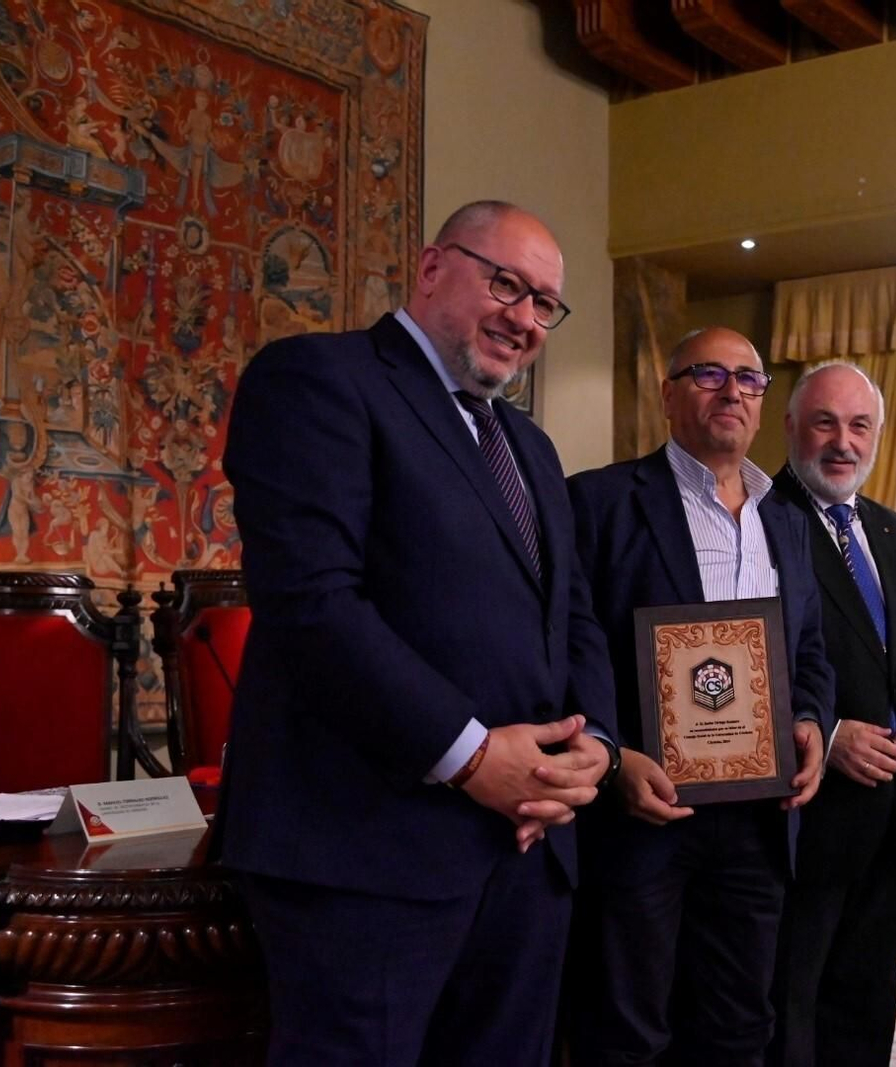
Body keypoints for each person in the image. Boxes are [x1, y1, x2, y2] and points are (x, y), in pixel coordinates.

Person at [219, 200, 620, 1067]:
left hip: (528, 851)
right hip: (366, 854)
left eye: (545, 303)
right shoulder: (319, 379)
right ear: (434, 266)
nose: (524, 318)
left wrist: (593, 749)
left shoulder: (532, 447)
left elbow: (574, 615)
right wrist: (475, 757)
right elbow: (313, 604)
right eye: (505, 284)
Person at [564, 326, 836, 1067]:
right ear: (669, 393)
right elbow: (563, 648)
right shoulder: (599, 502)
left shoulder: (788, 516)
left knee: (739, 1023)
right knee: (627, 1026)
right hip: (645, 810)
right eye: (709, 373)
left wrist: (810, 720)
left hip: (758, 815)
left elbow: (807, 648)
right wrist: (614, 756)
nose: (732, 391)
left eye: (749, 379)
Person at [767, 362, 896, 1067]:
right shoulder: (761, 520)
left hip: (894, 811)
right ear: (789, 426)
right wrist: (831, 730)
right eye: (825, 422)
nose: (842, 442)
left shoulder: (890, 528)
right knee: (792, 1002)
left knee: (869, 999)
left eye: (859, 425)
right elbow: (747, 662)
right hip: (808, 814)